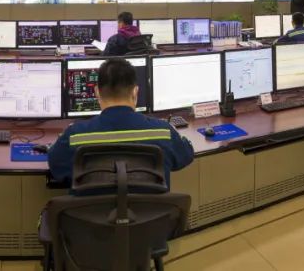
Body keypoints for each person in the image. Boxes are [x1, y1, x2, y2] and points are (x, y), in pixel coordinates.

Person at [47, 58, 194, 190]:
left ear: (97, 92)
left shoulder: (75, 135)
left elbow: (56, 167)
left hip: (93, 212)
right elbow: (186, 155)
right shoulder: (164, 132)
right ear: (135, 92)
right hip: (150, 211)